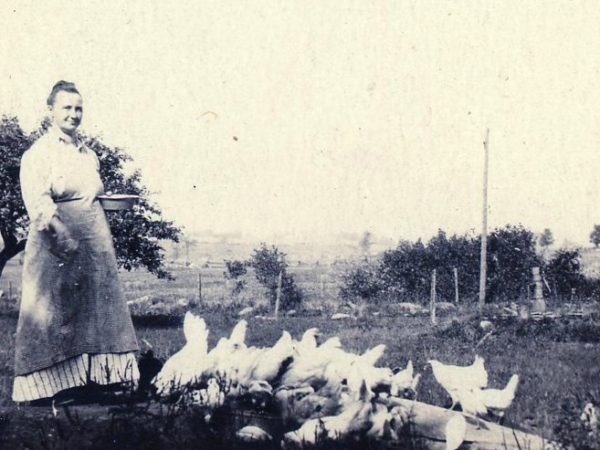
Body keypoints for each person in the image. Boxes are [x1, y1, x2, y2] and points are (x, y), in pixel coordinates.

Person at [12, 81, 140, 405]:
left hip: (94, 244)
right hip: (55, 245)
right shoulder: (38, 154)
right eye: (66, 108)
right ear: (50, 111)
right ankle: (44, 391)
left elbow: (90, 195)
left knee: (95, 312)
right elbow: (38, 201)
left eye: (78, 108)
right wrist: (62, 231)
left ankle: (96, 381)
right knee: (52, 314)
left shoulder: (89, 155)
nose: (73, 114)